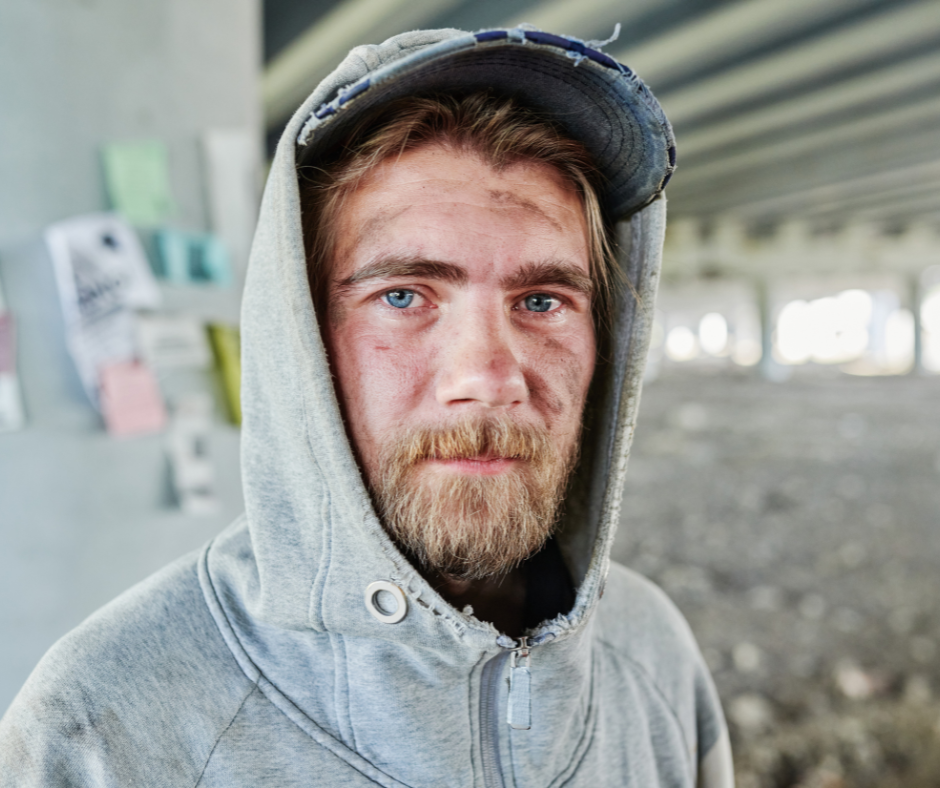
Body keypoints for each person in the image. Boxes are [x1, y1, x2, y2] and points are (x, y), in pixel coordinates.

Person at [0, 27, 733, 787]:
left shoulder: (650, 652)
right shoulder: (101, 729)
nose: (487, 377)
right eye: (404, 295)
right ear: (302, 343)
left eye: (542, 300)